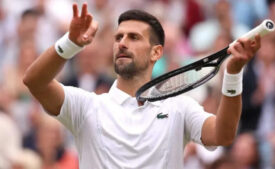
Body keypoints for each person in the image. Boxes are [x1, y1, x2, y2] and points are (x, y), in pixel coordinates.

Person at [23, 3, 261, 169]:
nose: (122, 43)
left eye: (133, 37)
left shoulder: (180, 107)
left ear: (156, 52)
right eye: (119, 37)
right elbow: (34, 81)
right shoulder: (87, 105)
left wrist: (233, 73)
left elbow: (223, 134)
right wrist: (70, 44)